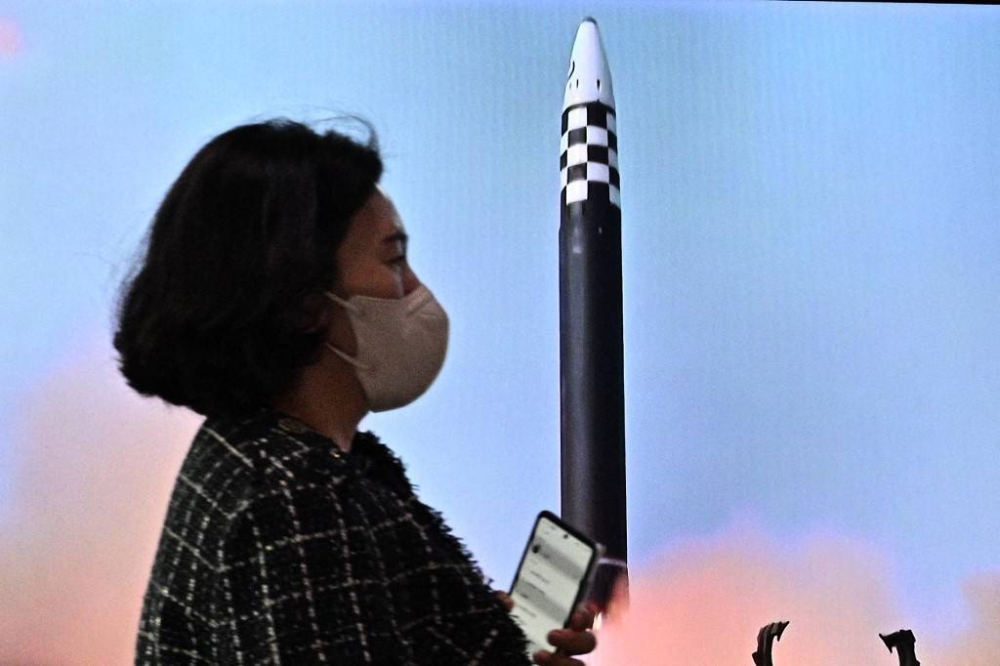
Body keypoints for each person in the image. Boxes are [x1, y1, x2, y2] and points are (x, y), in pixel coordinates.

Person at [114, 119, 597, 665]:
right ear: (303, 303)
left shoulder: (275, 457)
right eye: (393, 260)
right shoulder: (294, 504)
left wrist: (475, 638)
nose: (416, 290)